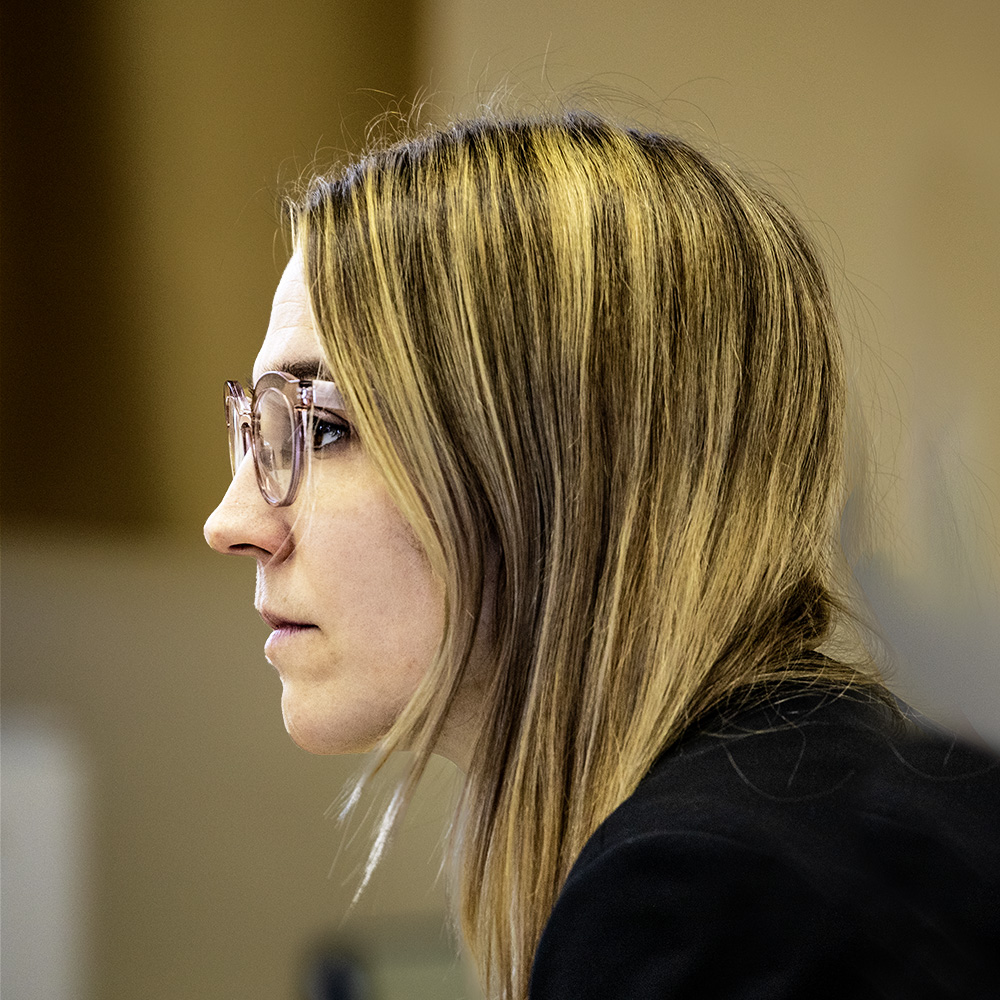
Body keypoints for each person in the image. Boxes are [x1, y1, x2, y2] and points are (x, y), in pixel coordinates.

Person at [204, 110, 1000, 999]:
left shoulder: (708, 896)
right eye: (255, 431)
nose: (233, 521)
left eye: (324, 427)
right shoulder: (827, 819)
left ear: (568, 464)